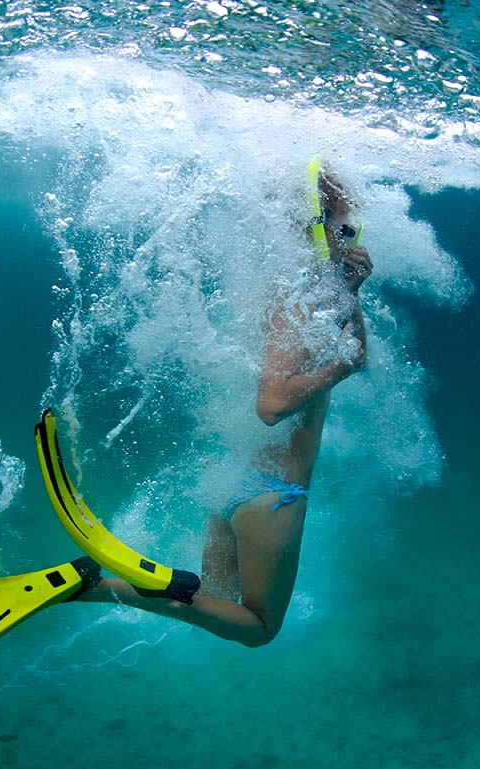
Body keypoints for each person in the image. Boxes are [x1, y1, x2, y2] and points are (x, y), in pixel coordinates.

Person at [71, 163, 374, 646]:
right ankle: (103, 590)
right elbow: (272, 403)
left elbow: (351, 352)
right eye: (346, 224)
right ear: (319, 226)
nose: (354, 233)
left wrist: (352, 291)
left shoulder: (289, 285)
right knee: (258, 629)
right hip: (274, 494)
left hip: (237, 477)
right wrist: (342, 368)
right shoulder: (300, 296)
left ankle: (99, 587)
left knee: (213, 599)